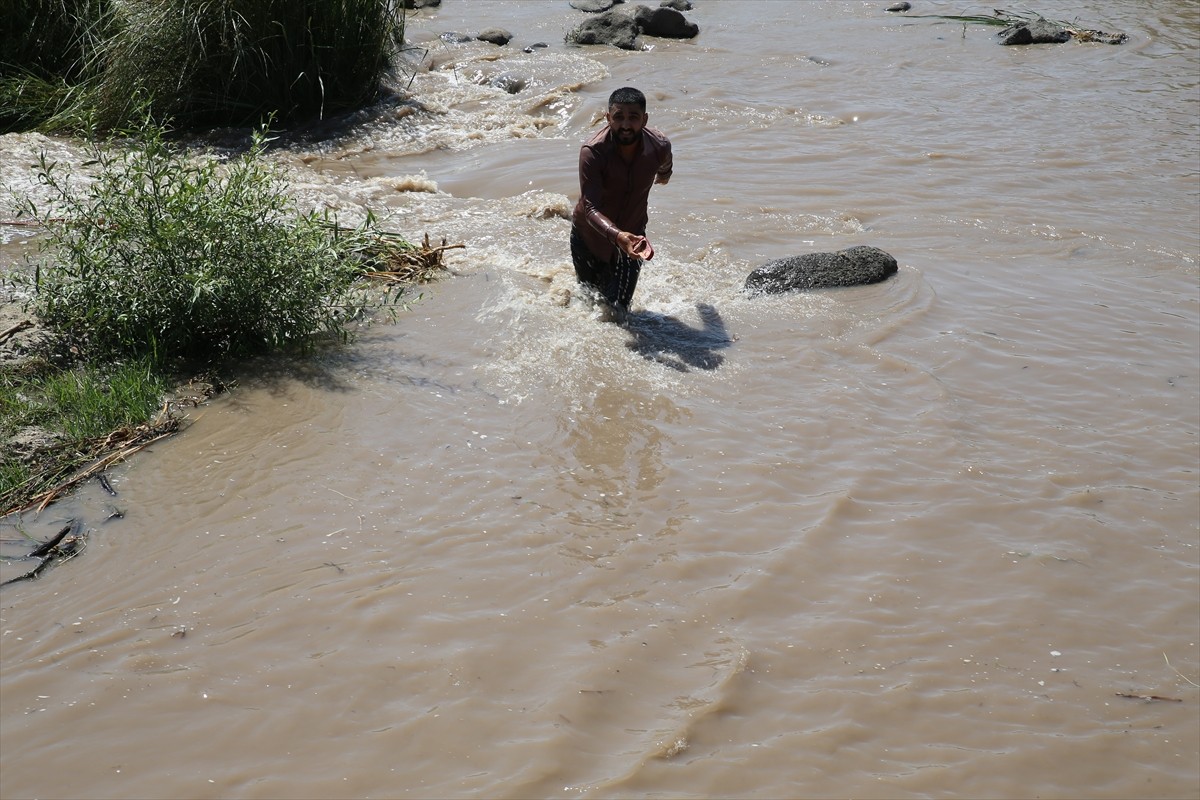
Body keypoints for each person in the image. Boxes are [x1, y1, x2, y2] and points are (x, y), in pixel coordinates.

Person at [571, 86, 673, 320]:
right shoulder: (593, 151)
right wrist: (619, 237)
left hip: (634, 239)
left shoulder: (659, 146)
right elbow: (590, 208)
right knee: (589, 302)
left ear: (645, 120)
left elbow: (665, 166)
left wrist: (664, 176)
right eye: (618, 117)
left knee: (618, 312)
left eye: (633, 118)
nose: (625, 125)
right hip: (588, 237)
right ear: (608, 118)